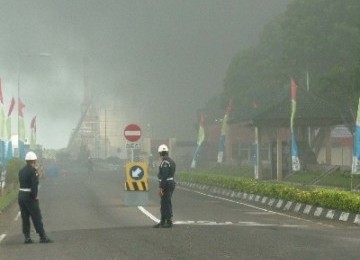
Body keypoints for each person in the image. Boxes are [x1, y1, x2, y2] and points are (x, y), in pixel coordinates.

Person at [18, 151, 53, 244]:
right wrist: (35, 196)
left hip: (21, 195)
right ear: (34, 160)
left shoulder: (21, 171)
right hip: (29, 196)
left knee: (25, 217)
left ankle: (27, 237)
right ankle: (42, 236)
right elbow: (34, 185)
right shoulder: (33, 171)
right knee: (36, 216)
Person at [153, 144, 176, 228]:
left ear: (160, 153)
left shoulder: (165, 163)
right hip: (170, 183)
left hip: (167, 184)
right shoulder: (171, 161)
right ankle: (163, 221)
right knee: (164, 202)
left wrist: (161, 188)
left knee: (166, 202)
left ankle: (168, 221)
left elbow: (164, 176)